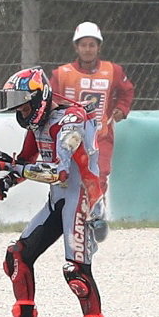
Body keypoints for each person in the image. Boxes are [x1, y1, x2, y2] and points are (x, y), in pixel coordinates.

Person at [0, 66, 109, 317]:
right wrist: (9, 179)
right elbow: (27, 160)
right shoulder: (37, 124)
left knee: (75, 270)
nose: (22, 112)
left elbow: (60, 173)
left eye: (25, 104)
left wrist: (14, 169)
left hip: (82, 198)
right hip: (58, 200)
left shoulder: (71, 120)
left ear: (40, 97)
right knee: (17, 256)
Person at [49, 20, 134, 241]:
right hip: (69, 137)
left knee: (99, 175)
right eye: (83, 45)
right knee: (66, 177)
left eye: (92, 45)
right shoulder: (61, 74)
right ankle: (67, 219)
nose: (88, 49)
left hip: (100, 136)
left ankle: (97, 218)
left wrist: (120, 110)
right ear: (76, 47)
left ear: (99, 47)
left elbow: (127, 92)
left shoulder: (112, 71)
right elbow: (51, 101)